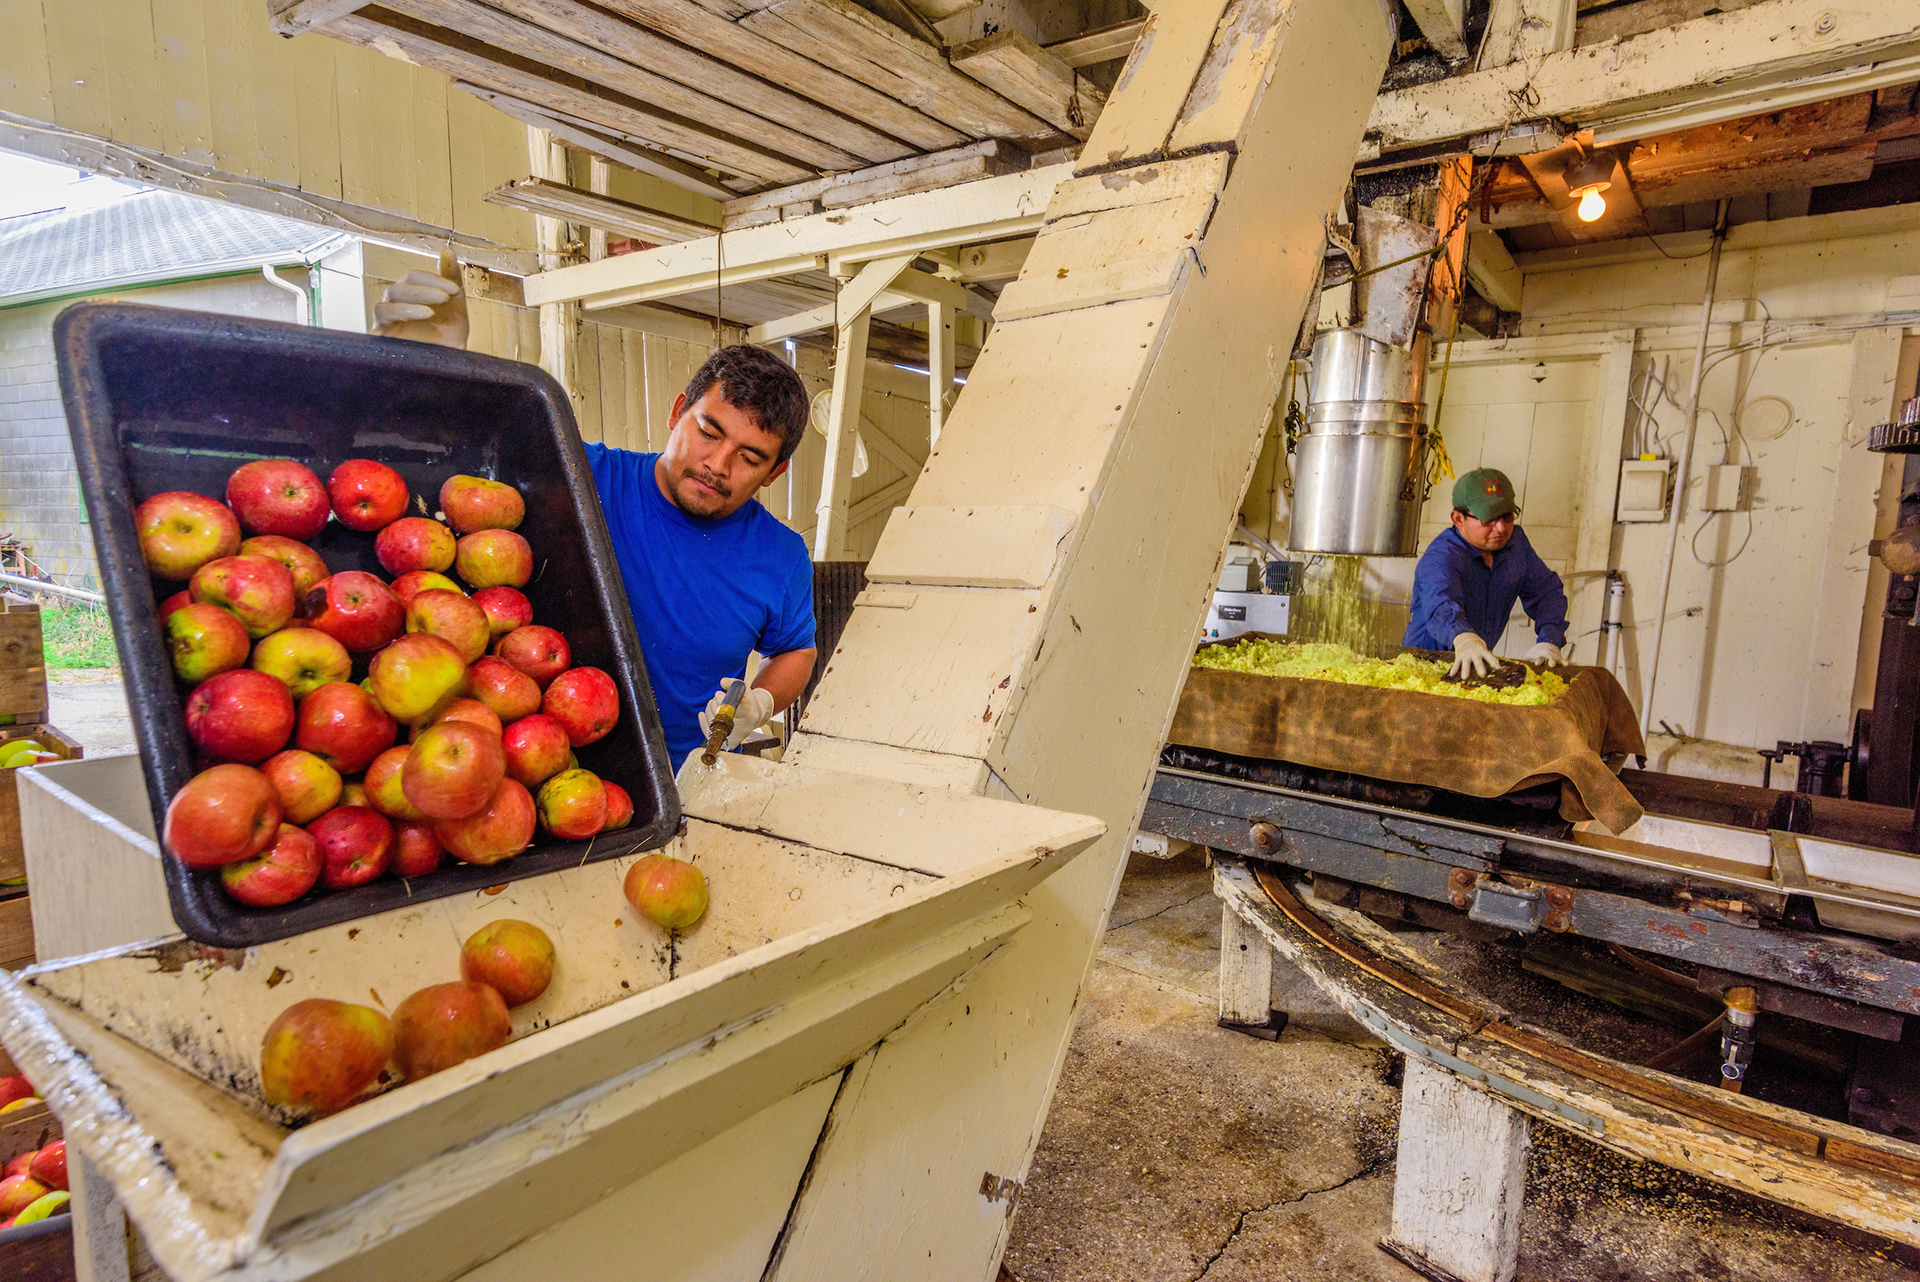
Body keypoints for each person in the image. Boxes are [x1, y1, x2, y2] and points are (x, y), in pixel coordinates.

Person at [374, 263, 817, 770]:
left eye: (750, 456)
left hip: (689, 788)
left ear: (775, 472)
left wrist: (757, 706)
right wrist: (421, 373)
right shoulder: (581, 475)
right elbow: (451, 467)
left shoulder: (781, 556)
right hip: (538, 767)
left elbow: (796, 651)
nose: (717, 465)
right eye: (709, 432)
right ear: (677, 413)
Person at [1402, 467, 1569, 679]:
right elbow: (1441, 602)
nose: (1501, 528)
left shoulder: (1516, 544)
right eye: (1488, 520)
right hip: (1423, 669)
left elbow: (1546, 592)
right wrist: (1463, 637)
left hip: (1476, 667)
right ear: (1458, 519)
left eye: (1507, 517)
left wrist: (1550, 640)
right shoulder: (1441, 557)